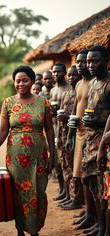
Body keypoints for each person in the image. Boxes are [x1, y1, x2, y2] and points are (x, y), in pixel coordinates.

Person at [0, 65, 54, 236]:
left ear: (32, 81)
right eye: (17, 81)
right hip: (15, 157)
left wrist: (53, 155)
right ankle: (20, 234)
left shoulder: (43, 103)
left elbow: (49, 129)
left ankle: (35, 232)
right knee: (18, 194)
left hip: (39, 156)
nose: (21, 84)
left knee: (38, 193)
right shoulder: (8, 103)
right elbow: (3, 131)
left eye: (25, 80)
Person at [81, 46, 110, 236]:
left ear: (106, 61)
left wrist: (101, 147)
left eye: (96, 61)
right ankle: (101, 229)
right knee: (92, 185)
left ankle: (107, 235)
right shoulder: (92, 83)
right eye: (89, 61)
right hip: (91, 140)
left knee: (105, 190)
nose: (91, 65)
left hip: (104, 143)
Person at [65, 49, 93, 213]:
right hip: (79, 134)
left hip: (91, 136)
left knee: (89, 177)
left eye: (85, 61)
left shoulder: (95, 83)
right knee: (81, 176)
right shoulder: (79, 84)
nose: (82, 65)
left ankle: (92, 215)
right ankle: (88, 212)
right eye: (79, 62)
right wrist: (70, 136)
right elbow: (75, 112)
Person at [56, 66, 81, 208]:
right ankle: (70, 196)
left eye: (74, 75)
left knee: (73, 168)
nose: (71, 78)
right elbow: (62, 115)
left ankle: (76, 199)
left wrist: (68, 136)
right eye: (70, 76)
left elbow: (74, 116)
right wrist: (59, 135)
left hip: (73, 134)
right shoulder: (66, 93)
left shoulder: (78, 92)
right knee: (65, 166)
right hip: (63, 133)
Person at [50, 63, 71, 201]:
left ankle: (70, 193)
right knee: (57, 162)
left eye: (59, 72)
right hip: (54, 127)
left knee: (66, 163)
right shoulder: (53, 90)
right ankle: (63, 189)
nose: (56, 74)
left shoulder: (68, 89)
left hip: (66, 129)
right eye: (54, 72)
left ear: (64, 73)